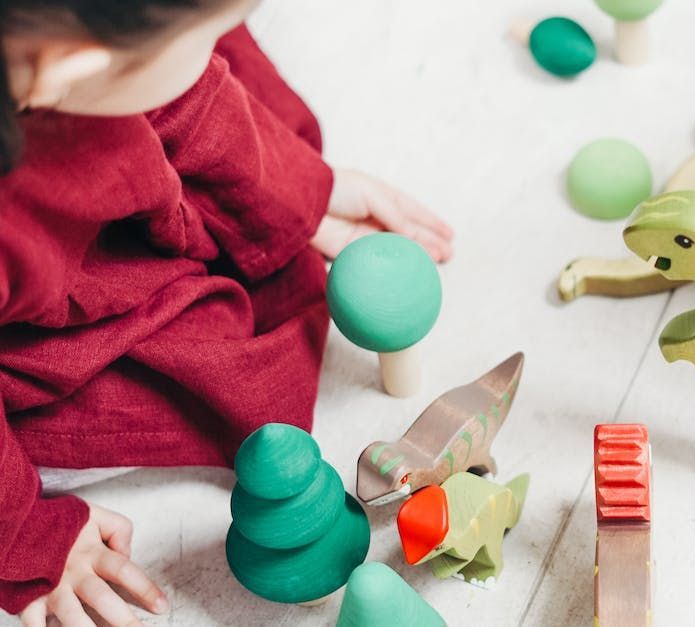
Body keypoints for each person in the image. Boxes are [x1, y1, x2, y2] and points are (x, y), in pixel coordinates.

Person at [0, 1, 452, 625]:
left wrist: (300, 195)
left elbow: (183, 102)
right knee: (220, 371)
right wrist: (26, 537)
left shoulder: (76, 53)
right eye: (203, 40)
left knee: (201, 94)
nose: (216, 52)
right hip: (30, 321)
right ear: (71, 69)